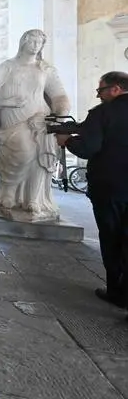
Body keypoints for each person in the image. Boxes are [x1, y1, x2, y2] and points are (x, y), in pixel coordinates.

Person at [56, 71, 128, 313]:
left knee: (112, 238)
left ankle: (117, 293)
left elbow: (88, 148)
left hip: (110, 187)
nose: (99, 95)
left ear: (116, 89)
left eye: (101, 90)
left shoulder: (102, 113)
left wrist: (67, 140)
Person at [0, 29, 70, 222]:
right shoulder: (7, 68)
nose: (36, 46)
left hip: (39, 119)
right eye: (32, 42)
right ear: (23, 42)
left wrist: (59, 115)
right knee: (23, 153)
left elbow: (59, 95)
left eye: (40, 43)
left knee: (40, 157)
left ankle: (33, 199)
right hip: (12, 121)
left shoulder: (45, 70)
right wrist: (7, 102)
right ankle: (8, 193)